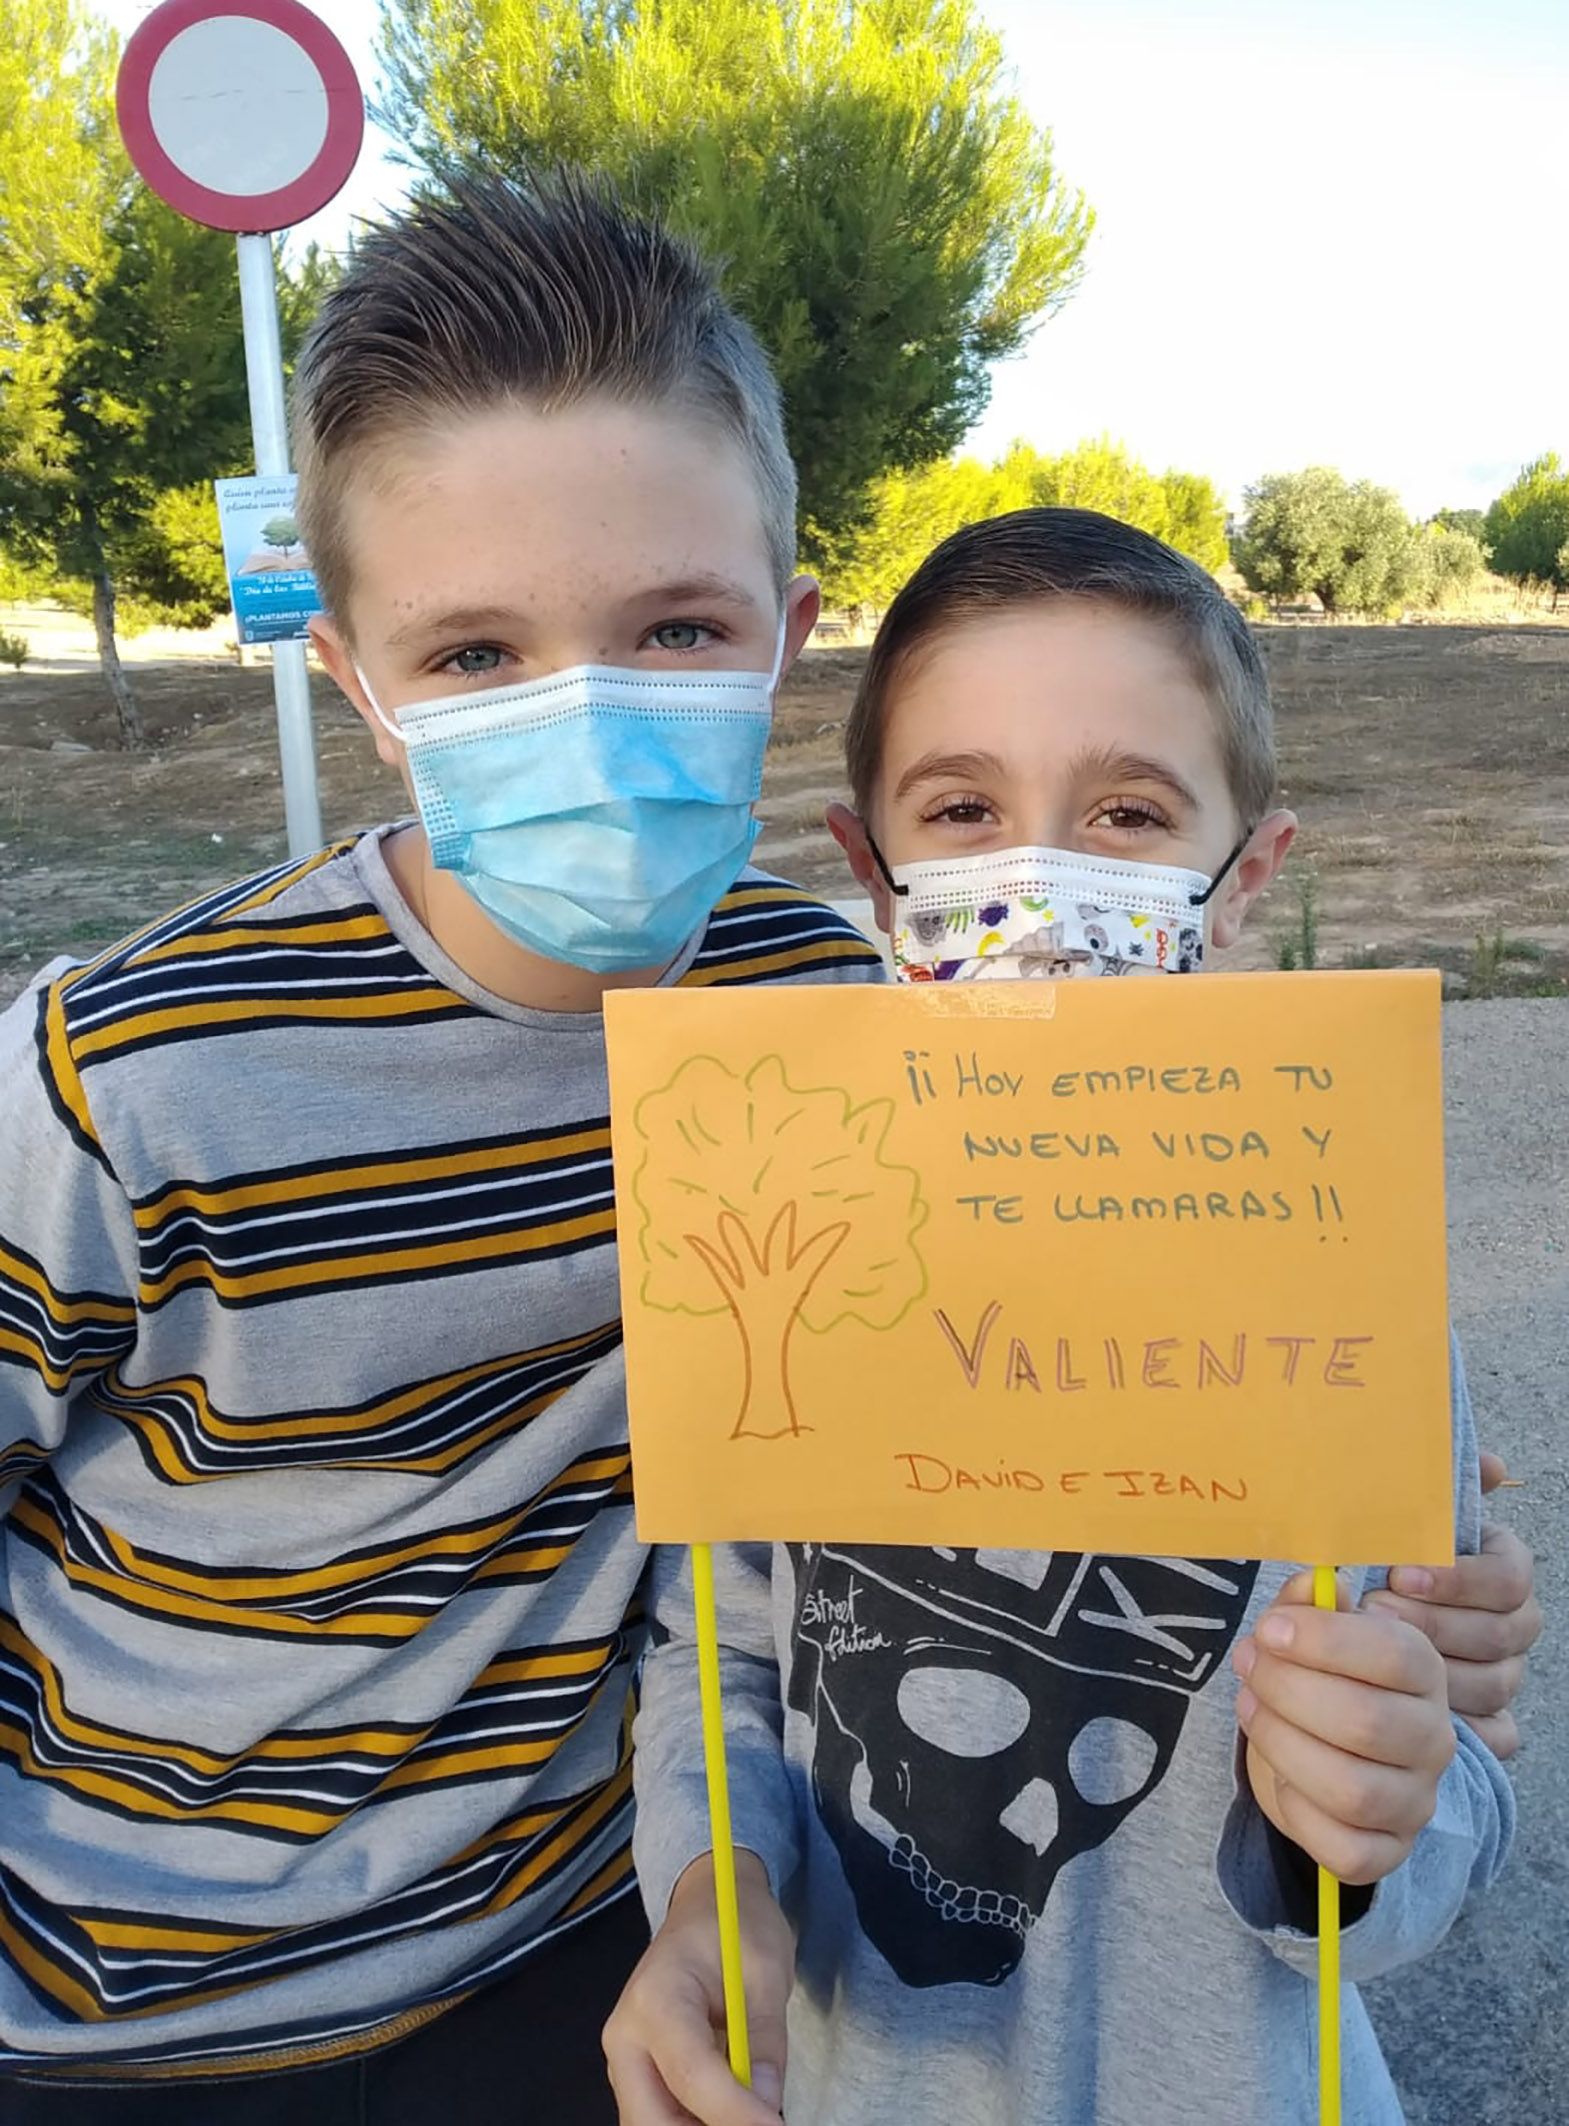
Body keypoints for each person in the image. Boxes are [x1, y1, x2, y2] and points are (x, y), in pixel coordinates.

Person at [0, 172, 887, 2120]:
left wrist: (1392, 1567)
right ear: (358, 684)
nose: (583, 719)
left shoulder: (820, 1018)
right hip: (133, 2022)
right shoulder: (130, 1074)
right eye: (476, 656)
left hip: (588, 1950)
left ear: (787, 633)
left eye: (673, 624)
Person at [606, 509, 1536, 2126]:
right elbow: (721, 1659)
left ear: (1243, 879)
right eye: (962, 809)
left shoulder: (1347, 1301)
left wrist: (1380, 1821)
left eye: (1125, 811)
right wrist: (711, 1885)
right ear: (873, 873)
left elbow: (1440, 1780)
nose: (1037, 879)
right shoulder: (783, 1273)